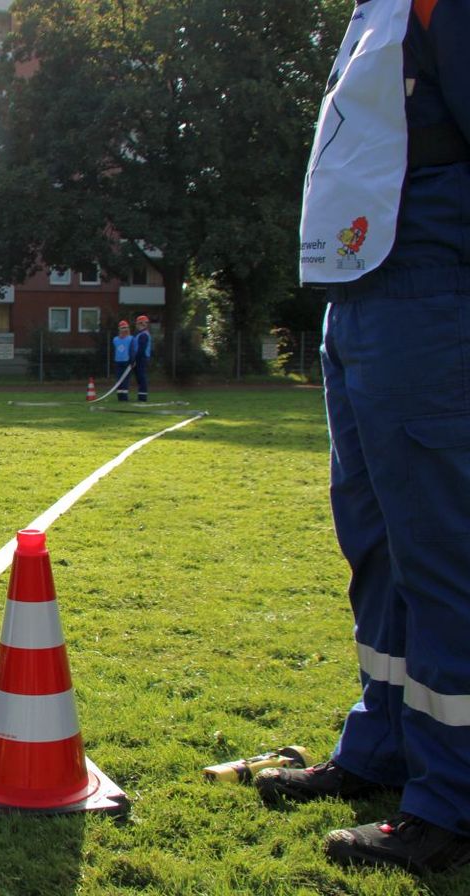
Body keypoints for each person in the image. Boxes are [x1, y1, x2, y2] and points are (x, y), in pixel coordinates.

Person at [255, 0, 470, 875]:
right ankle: (381, 749)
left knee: (442, 555)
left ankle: (451, 800)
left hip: (431, 287)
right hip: (361, 292)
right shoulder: (374, 11)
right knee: (376, 546)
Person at [130, 315, 152, 402]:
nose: (137, 325)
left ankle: (142, 397)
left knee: (141, 377)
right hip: (139, 358)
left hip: (141, 358)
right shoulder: (140, 334)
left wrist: (136, 359)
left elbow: (141, 349)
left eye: (139, 323)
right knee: (139, 377)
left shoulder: (144, 335)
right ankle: (141, 396)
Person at [111, 320, 133, 401]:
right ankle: (120, 396)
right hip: (118, 361)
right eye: (123, 328)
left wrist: (132, 360)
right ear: (119, 329)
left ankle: (124, 396)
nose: (125, 329)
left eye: (126, 328)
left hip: (127, 361)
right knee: (119, 379)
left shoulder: (131, 338)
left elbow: (132, 350)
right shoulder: (115, 339)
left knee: (125, 379)